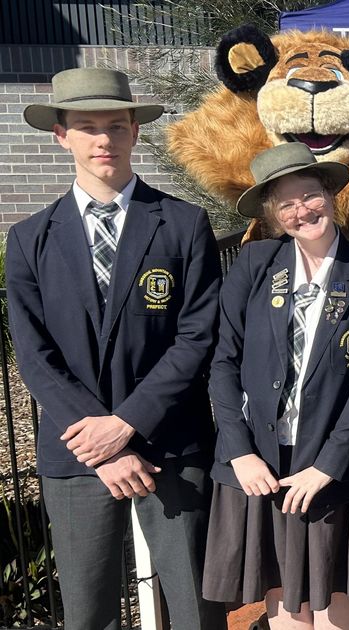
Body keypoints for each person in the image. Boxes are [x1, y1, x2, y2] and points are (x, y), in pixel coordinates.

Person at [6, 67, 223, 630]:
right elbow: (34, 355)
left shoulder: (183, 224)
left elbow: (197, 336)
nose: (103, 139)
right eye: (87, 127)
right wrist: (101, 443)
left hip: (171, 443)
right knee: (88, 611)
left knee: (196, 607)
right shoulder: (29, 239)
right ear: (61, 136)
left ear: (135, 131)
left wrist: (126, 424)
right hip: (77, 452)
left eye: (116, 126)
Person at [200, 143, 349, 628]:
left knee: (334, 600)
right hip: (260, 463)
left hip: (328, 465)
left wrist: (328, 465)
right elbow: (223, 363)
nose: (301, 211)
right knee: (285, 603)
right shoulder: (255, 264)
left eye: (309, 195)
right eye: (285, 203)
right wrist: (240, 452)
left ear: (330, 194)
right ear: (272, 214)